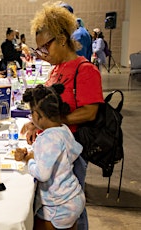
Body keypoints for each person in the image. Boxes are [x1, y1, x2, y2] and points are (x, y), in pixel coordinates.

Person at [22, 3, 104, 230]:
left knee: (71, 206)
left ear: (60, 39)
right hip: (53, 150)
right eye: (38, 50)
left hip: (70, 151)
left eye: (44, 48)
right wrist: (34, 123)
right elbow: (47, 107)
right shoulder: (57, 69)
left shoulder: (84, 69)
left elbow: (90, 111)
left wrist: (52, 123)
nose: (41, 55)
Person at [15, 84, 85, 230]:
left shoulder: (47, 138)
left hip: (58, 204)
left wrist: (29, 160)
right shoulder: (63, 129)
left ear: (37, 115)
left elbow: (42, 174)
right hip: (74, 196)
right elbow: (70, 153)